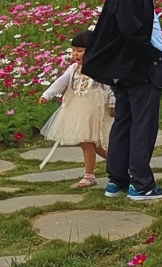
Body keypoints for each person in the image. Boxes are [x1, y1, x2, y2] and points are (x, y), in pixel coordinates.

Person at [81, 0, 162, 201]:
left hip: (122, 68)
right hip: (138, 68)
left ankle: (117, 180)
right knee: (142, 125)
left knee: (124, 122)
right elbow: (131, 31)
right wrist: (154, 57)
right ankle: (141, 184)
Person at [40, 29, 114, 188]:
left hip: (95, 109)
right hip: (76, 108)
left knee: (90, 141)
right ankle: (113, 163)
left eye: (80, 51)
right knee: (86, 142)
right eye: (73, 50)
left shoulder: (100, 68)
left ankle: (92, 174)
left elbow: (110, 87)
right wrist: (47, 94)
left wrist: (113, 105)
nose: (75, 54)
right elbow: (61, 81)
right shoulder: (73, 69)